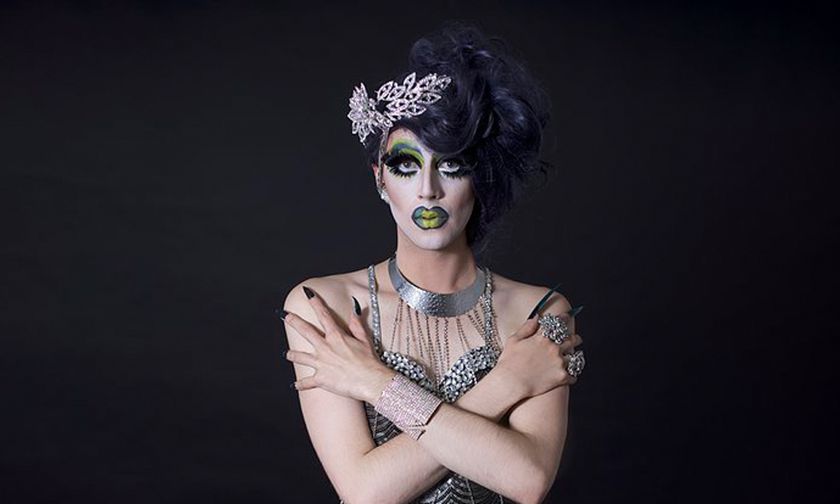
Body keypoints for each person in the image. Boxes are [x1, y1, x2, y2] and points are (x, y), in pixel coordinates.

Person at [277, 22, 586, 504]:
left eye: (451, 164)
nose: (428, 190)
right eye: (406, 165)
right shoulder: (323, 308)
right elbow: (365, 493)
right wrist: (506, 383)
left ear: (479, 177)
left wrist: (372, 382)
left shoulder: (539, 312)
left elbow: (527, 481)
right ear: (380, 179)